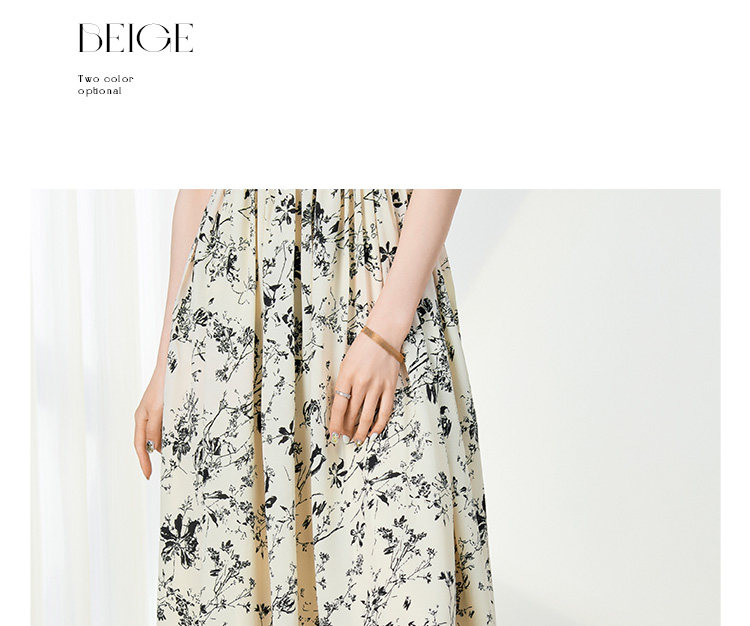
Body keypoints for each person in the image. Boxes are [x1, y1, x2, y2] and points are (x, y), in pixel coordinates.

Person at [134, 189, 496, 625]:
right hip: (234, 304)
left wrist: (386, 333)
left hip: (369, 281)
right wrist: (165, 366)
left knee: (401, 574)